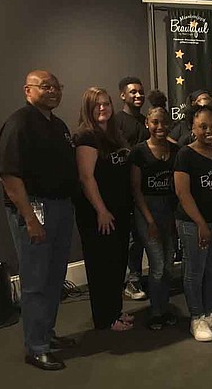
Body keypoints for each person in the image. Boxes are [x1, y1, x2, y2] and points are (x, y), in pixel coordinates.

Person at [0, 70, 77, 370]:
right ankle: (36, 346)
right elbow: (9, 175)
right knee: (35, 280)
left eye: (57, 86)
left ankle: (47, 332)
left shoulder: (58, 125)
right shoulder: (19, 123)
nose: (53, 91)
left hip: (60, 207)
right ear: (27, 90)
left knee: (54, 276)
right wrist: (30, 218)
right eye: (46, 86)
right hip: (34, 208)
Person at [73, 87, 134, 331]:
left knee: (118, 263)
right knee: (102, 267)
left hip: (119, 210)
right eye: (96, 104)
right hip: (98, 215)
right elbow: (86, 178)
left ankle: (115, 311)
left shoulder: (114, 134)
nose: (102, 108)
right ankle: (105, 319)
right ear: (88, 108)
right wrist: (101, 210)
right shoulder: (85, 137)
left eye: (106, 103)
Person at [174, 105, 212, 342]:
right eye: (203, 126)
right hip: (192, 223)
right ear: (193, 128)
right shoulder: (185, 155)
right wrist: (200, 224)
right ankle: (196, 317)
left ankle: (210, 313)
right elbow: (182, 193)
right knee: (194, 270)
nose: (209, 131)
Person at [128, 90, 179, 330]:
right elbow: (136, 190)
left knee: (169, 265)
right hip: (147, 211)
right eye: (155, 122)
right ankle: (156, 312)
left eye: (164, 122)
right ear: (147, 123)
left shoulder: (176, 150)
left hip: (170, 212)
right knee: (157, 266)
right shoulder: (139, 151)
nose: (160, 126)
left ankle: (165, 307)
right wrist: (148, 220)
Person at [114, 76, 148, 301]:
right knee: (129, 238)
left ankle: (138, 277)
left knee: (142, 235)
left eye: (140, 92)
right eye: (133, 92)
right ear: (122, 95)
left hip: (147, 188)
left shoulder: (147, 121)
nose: (138, 95)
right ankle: (130, 280)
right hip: (123, 189)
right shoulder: (115, 122)